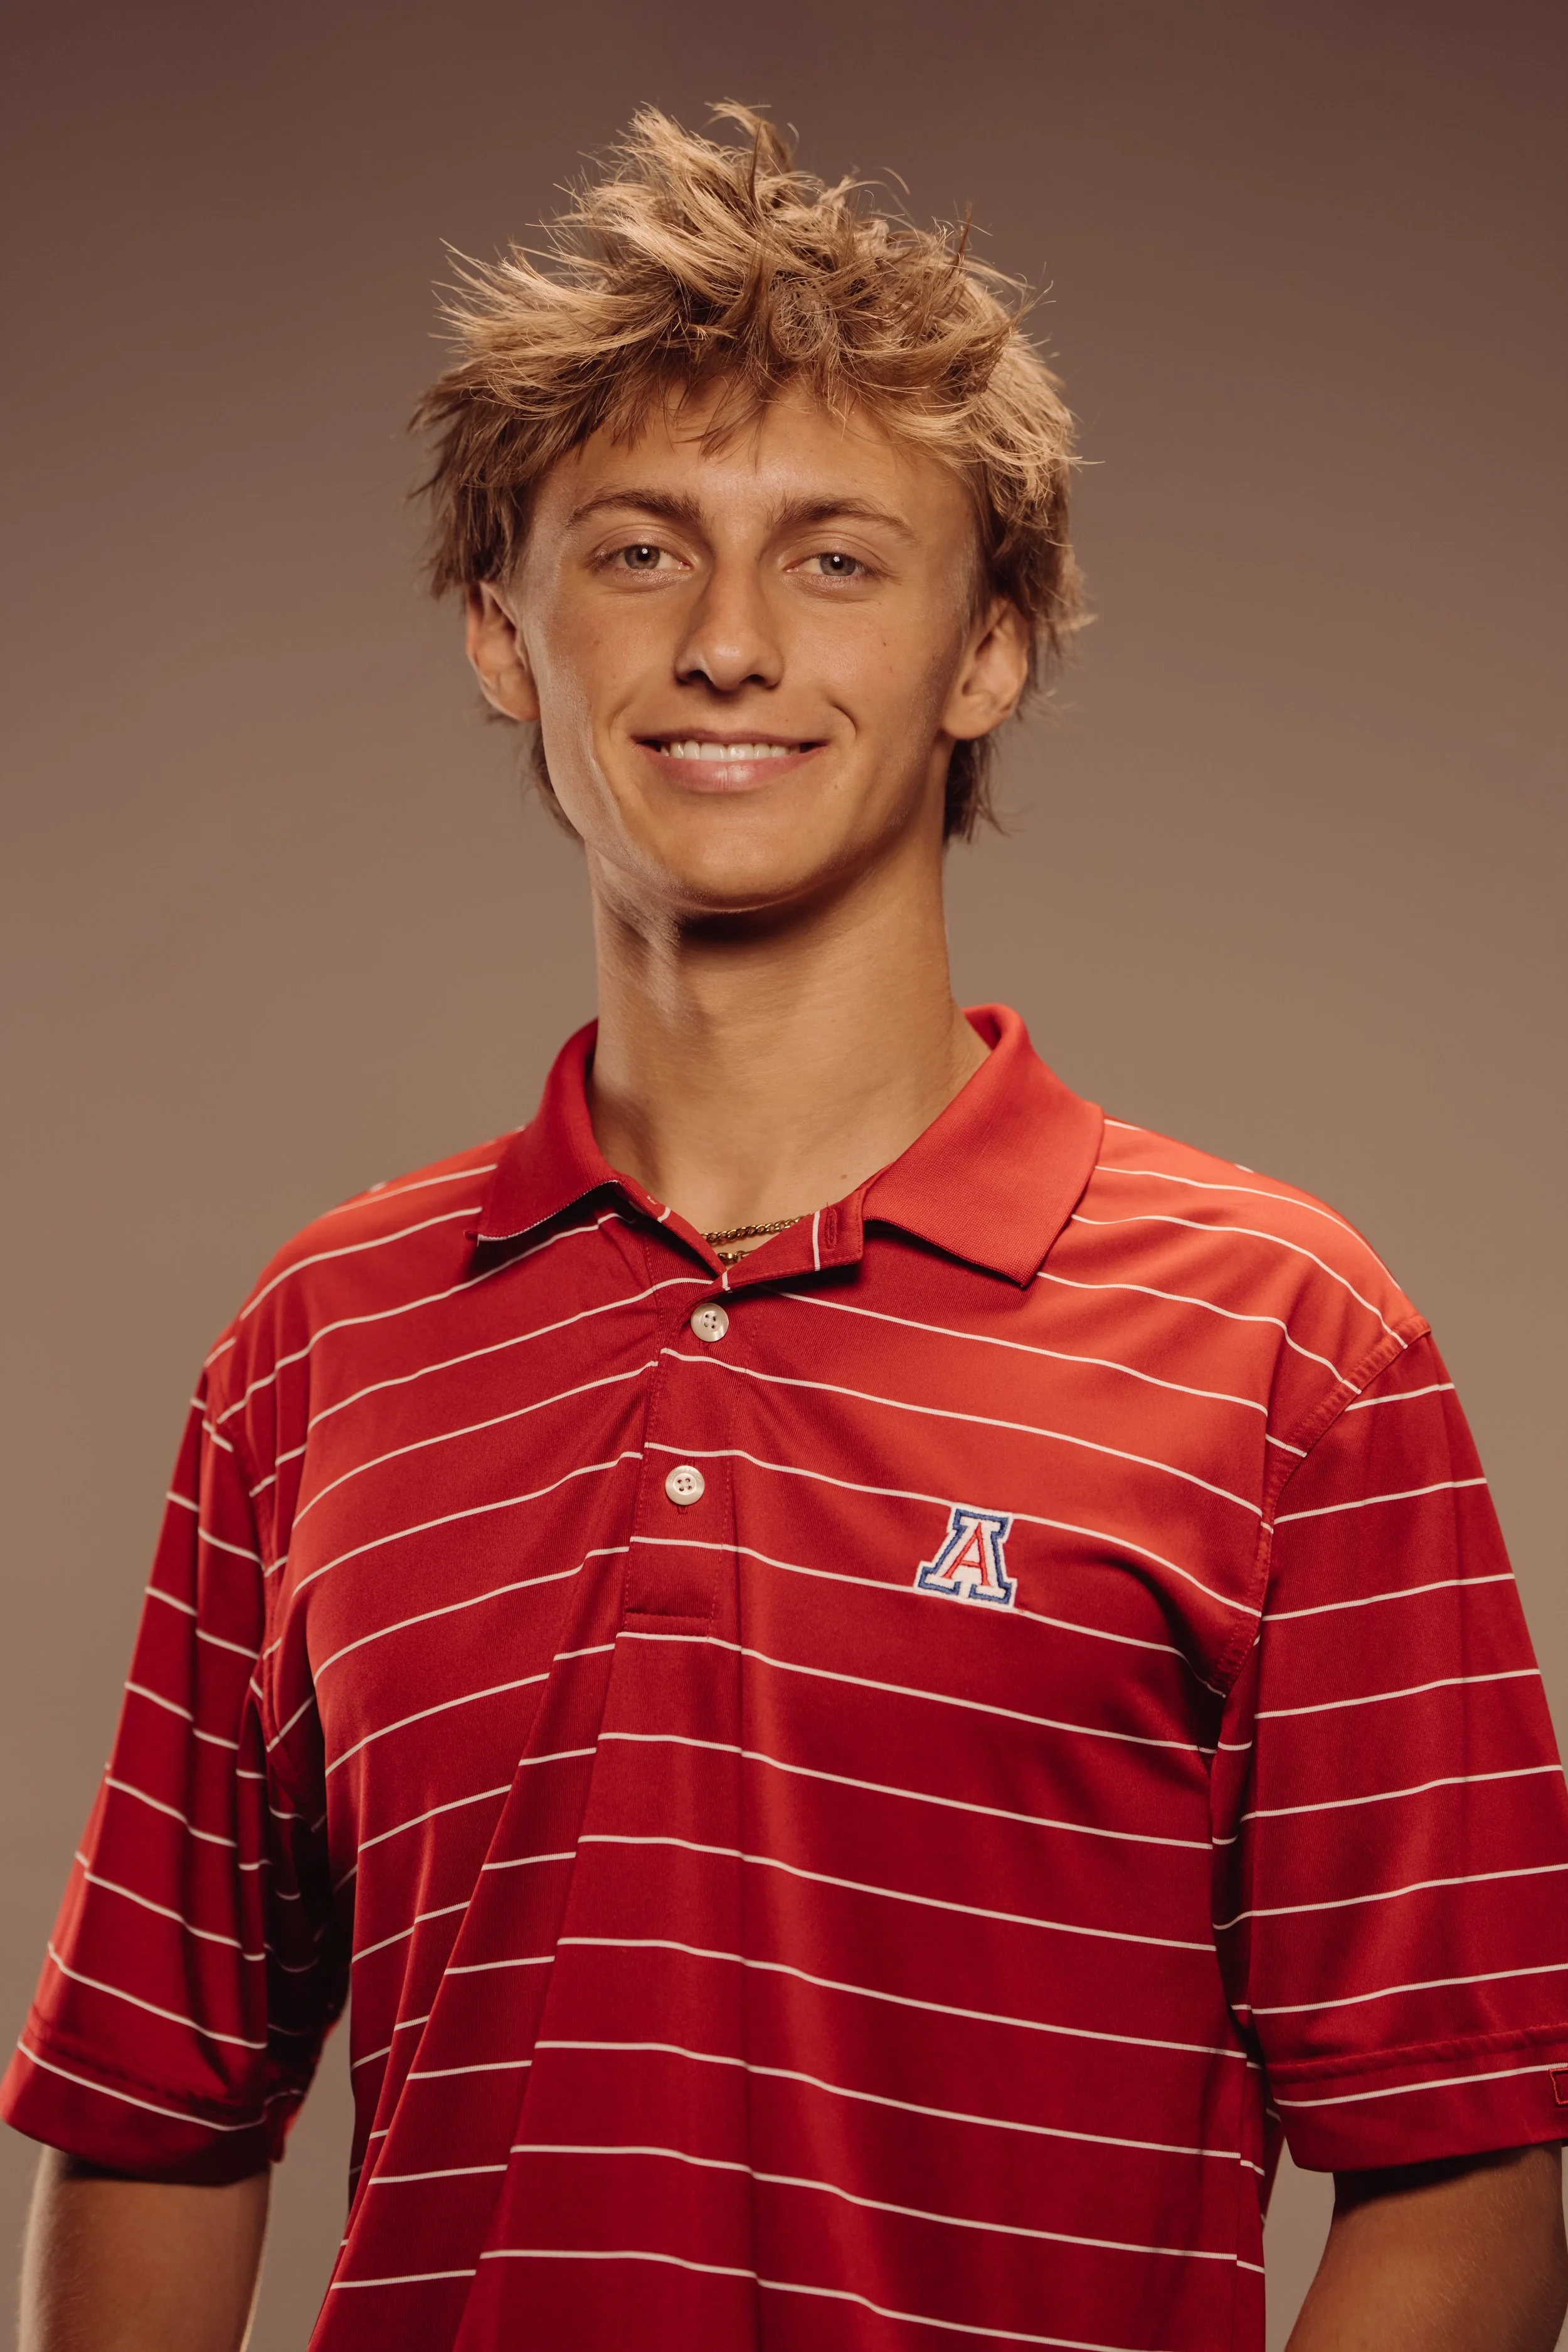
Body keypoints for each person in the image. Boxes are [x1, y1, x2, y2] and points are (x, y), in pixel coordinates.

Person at [7, 103, 1567, 2352]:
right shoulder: (318, 1338)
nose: (728, 642)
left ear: (987, 649)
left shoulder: (1286, 1341)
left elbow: (1469, 2168)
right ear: (501, 634)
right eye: (637, 551)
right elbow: (154, 2110)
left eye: (835, 558)